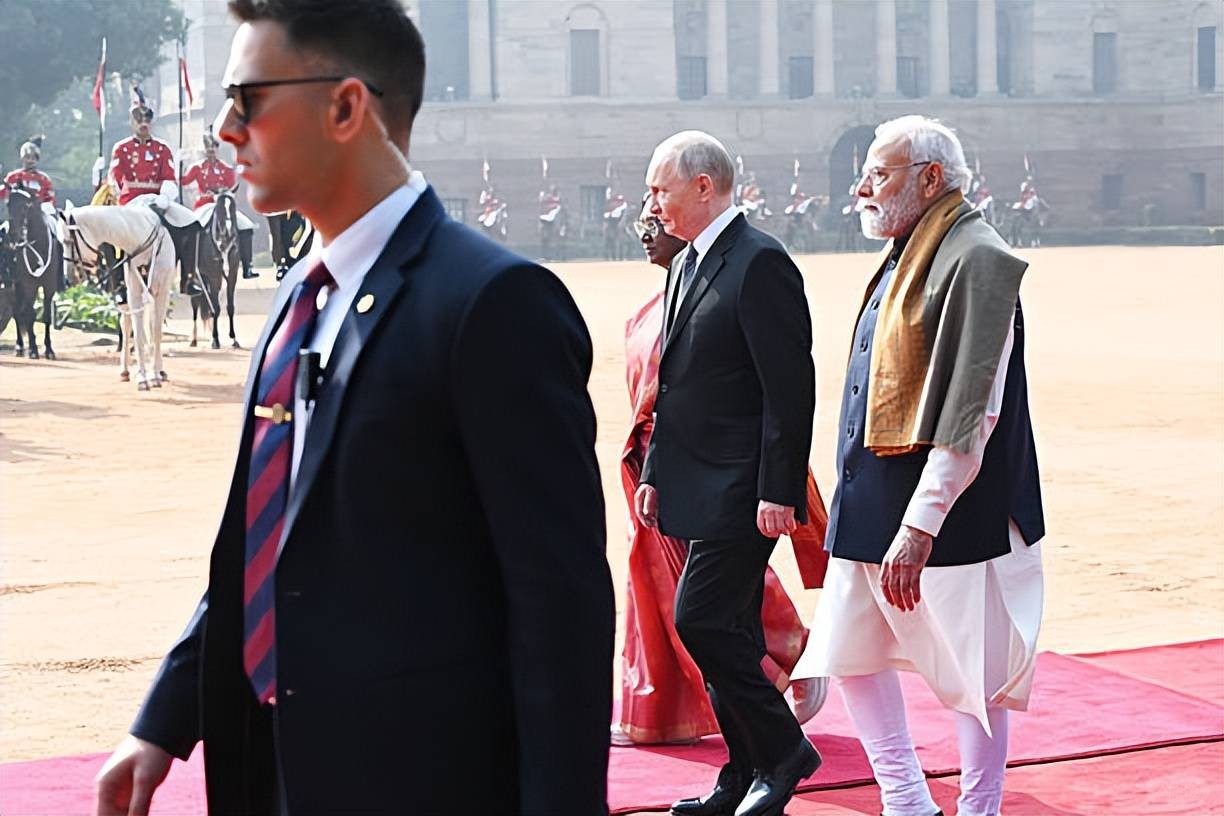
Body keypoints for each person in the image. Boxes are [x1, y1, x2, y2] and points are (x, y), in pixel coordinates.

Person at [93, 2, 614, 814]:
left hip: (419, 780)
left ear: (345, 107)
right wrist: (164, 721)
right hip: (273, 763)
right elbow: (261, 543)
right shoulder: (297, 297)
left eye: (249, 99)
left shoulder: (491, 303)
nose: (228, 129)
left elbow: (560, 606)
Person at [791, 115, 1045, 816]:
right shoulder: (909, 248)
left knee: (974, 673)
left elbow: (974, 408)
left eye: (880, 174)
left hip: (953, 515)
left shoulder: (976, 258)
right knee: (850, 651)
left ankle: (978, 807)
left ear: (931, 178)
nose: (862, 187)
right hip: (871, 500)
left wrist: (921, 522)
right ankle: (905, 802)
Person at [636, 131, 821, 816]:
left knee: (702, 620)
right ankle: (743, 773)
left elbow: (788, 389)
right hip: (693, 480)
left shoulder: (760, 262)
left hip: (745, 490)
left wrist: (779, 490)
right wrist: (656, 468)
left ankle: (784, 752)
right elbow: (676, 380)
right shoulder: (687, 264)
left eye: (660, 188)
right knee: (730, 633)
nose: (651, 202)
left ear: (703, 186)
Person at [110, 101, 204, 294]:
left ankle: (188, 278)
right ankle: (118, 283)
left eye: (147, 119)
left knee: (192, 224)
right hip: (131, 202)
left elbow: (169, 177)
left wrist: (165, 196)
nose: (143, 123)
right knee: (110, 234)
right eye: (139, 119)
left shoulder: (162, 148)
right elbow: (116, 177)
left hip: (157, 200)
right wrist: (118, 194)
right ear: (132, 122)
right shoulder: (122, 148)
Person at [182, 129, 259, 278]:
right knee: (193, 229)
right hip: (204, 205)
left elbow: (232, 188)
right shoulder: (197, 168)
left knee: (246, 226)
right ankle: (190, 268)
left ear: (218, 149)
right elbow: (184, 182)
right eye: (208, 147)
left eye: (214, 146)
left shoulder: (226, 168)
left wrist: (225, 194)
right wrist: (180, 167)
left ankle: (247, 265)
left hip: (223, 205)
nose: (211, 150)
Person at [1, 139, 56, 208]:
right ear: (22, 158)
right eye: (27, 157)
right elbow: (4, 192)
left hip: (39, 212)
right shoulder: (13, 177)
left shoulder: (43, 178)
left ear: (37, 160)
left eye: (33, 158)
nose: (30, 160)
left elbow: (50, 199)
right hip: (16, 213)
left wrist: (46, 206)